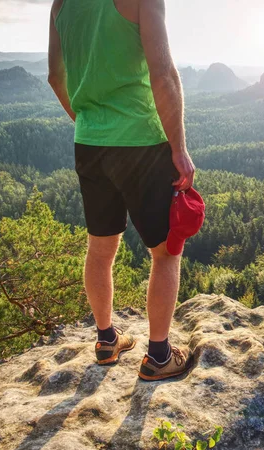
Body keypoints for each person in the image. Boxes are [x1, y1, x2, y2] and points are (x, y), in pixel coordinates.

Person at [47, 0, 196, 381]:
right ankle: (160, 357)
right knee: (165, 252)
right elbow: (163, 74)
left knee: (100, 248)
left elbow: (55, 76)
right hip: (141, 142)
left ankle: (106, 340)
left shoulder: (60, 5)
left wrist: (87, 122)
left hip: (89, 144)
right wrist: (178, 150)